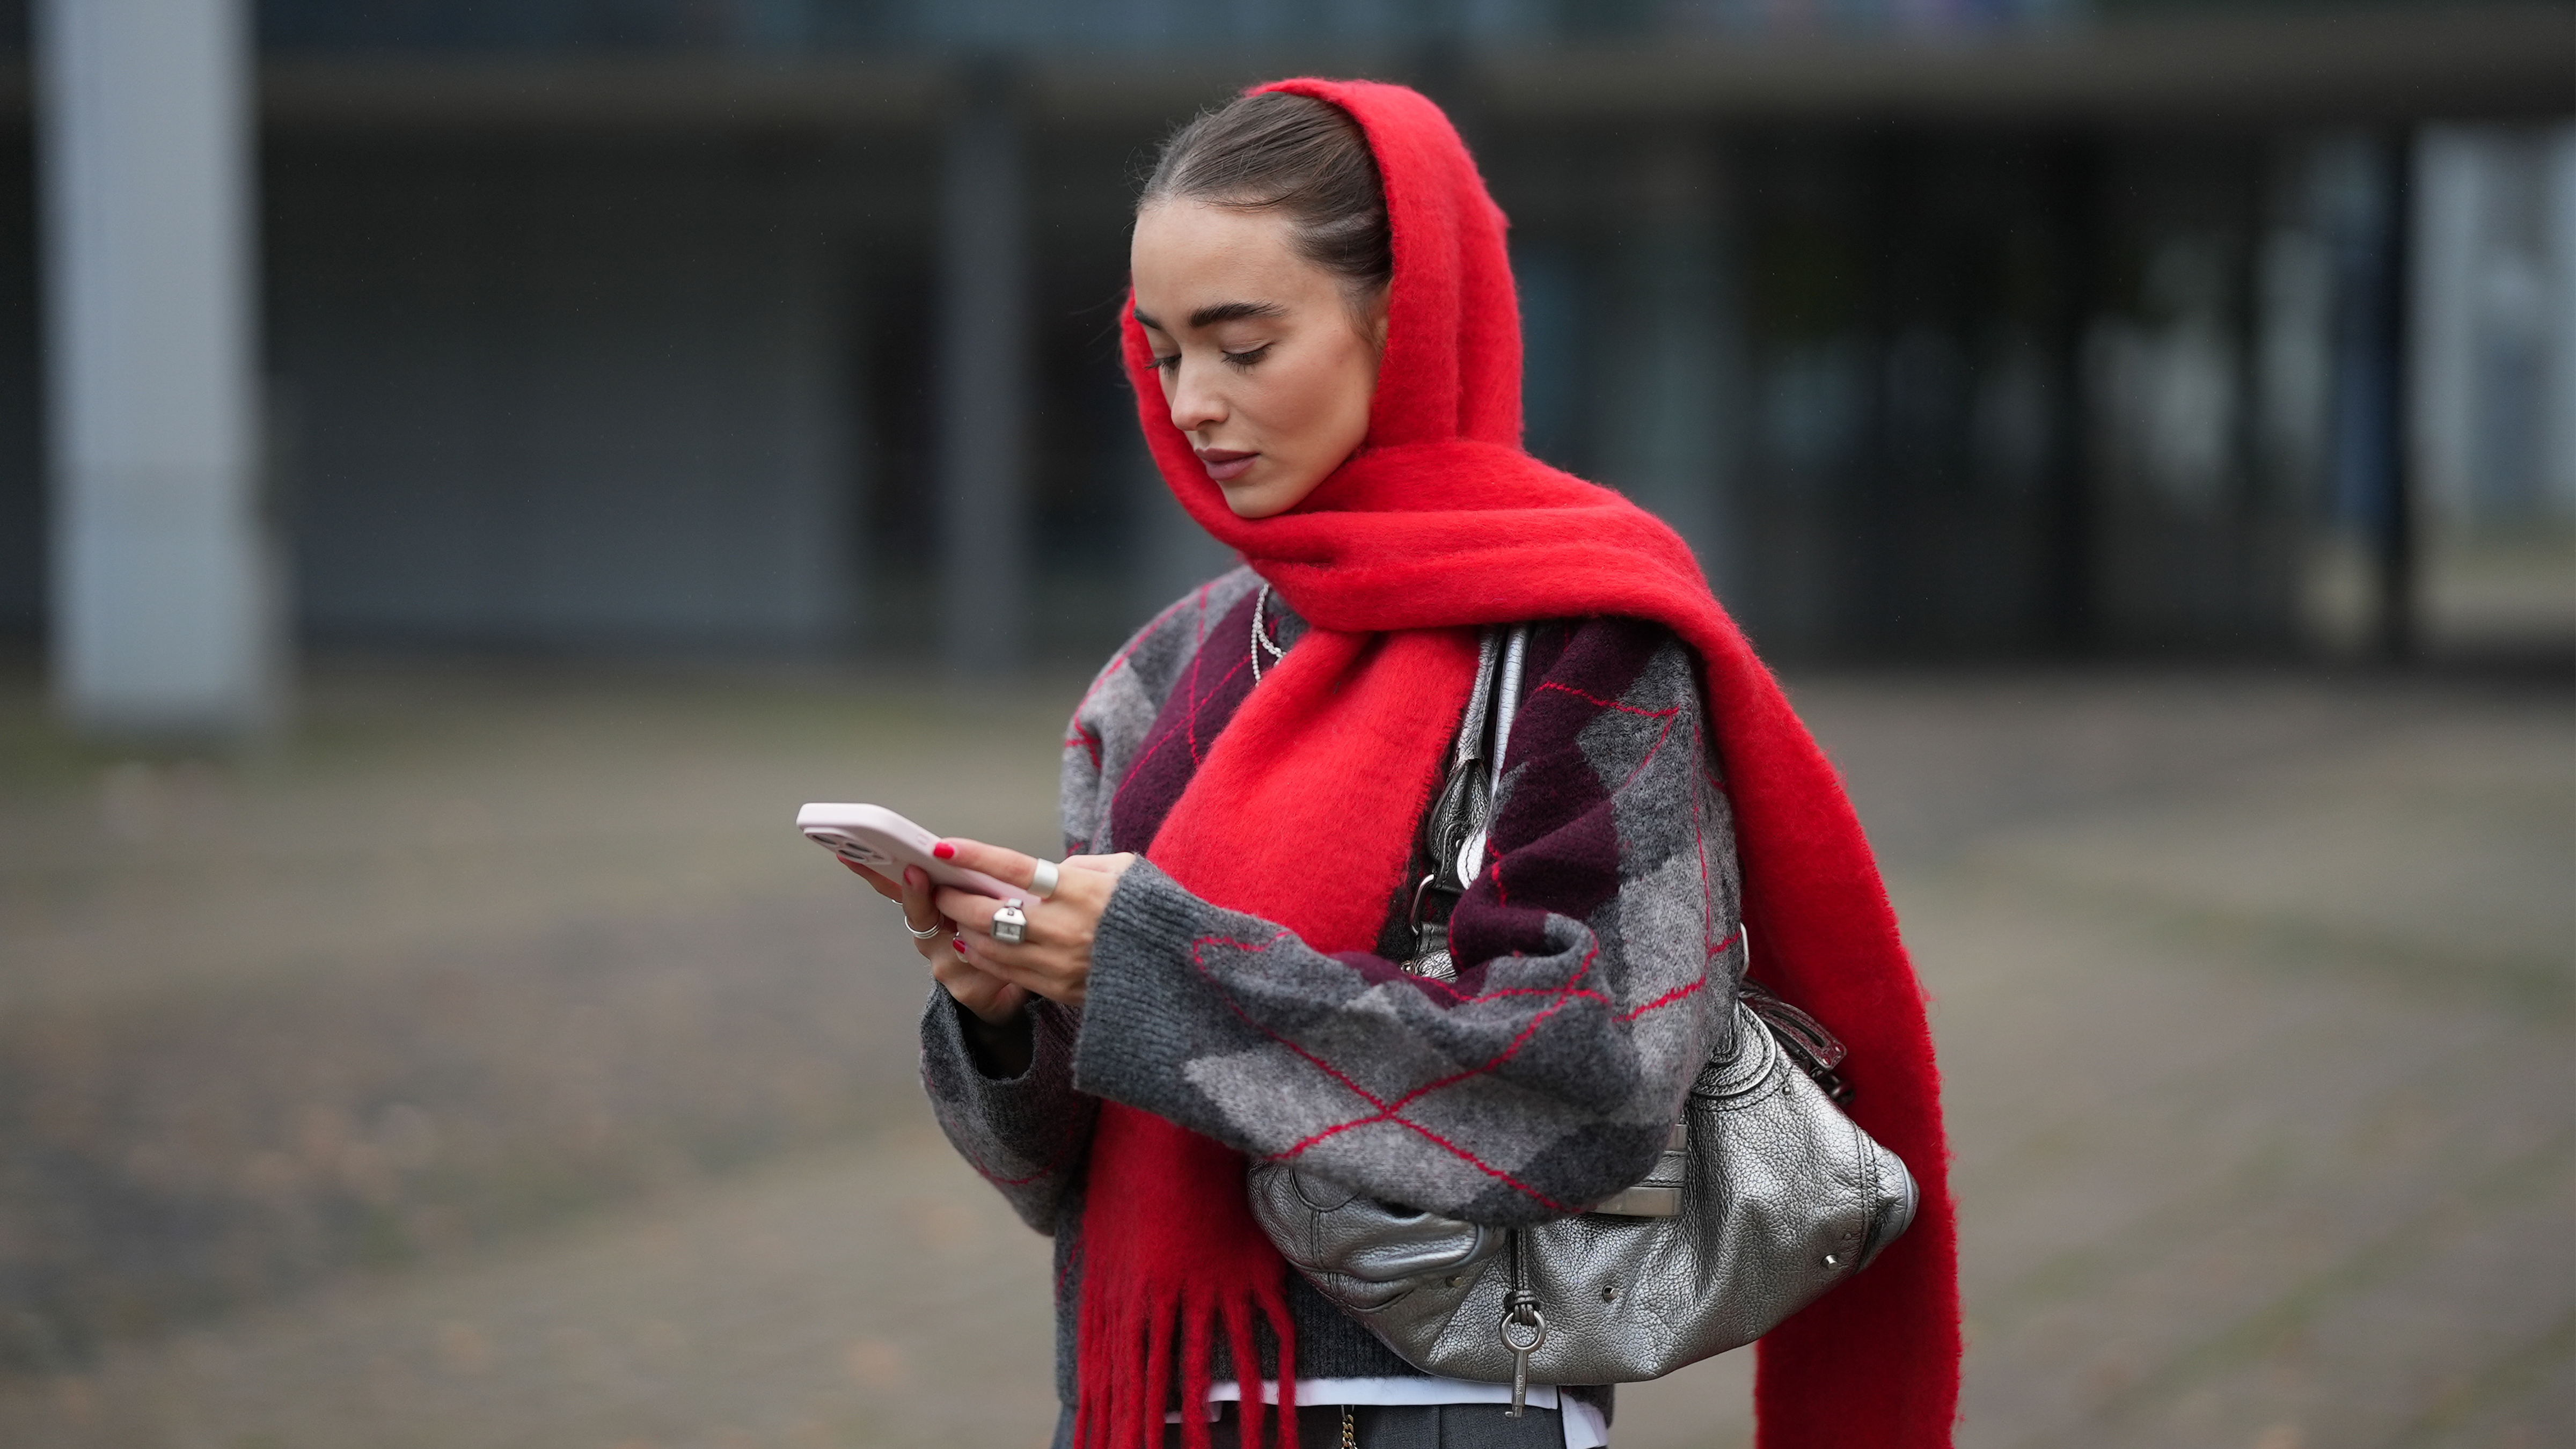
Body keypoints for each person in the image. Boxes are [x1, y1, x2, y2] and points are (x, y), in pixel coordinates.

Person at [845, 80, 1959, 1449]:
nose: (1192, 404)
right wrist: (1007, 1013)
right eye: (1161, 353)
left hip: (1439, 1411)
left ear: (1403, 316)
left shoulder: (1580, 640)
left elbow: (1601, 1084)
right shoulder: (1160, 673)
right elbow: (1055, 1174)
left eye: (1242, 345)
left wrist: (1148, 967)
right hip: (1147, 1405)